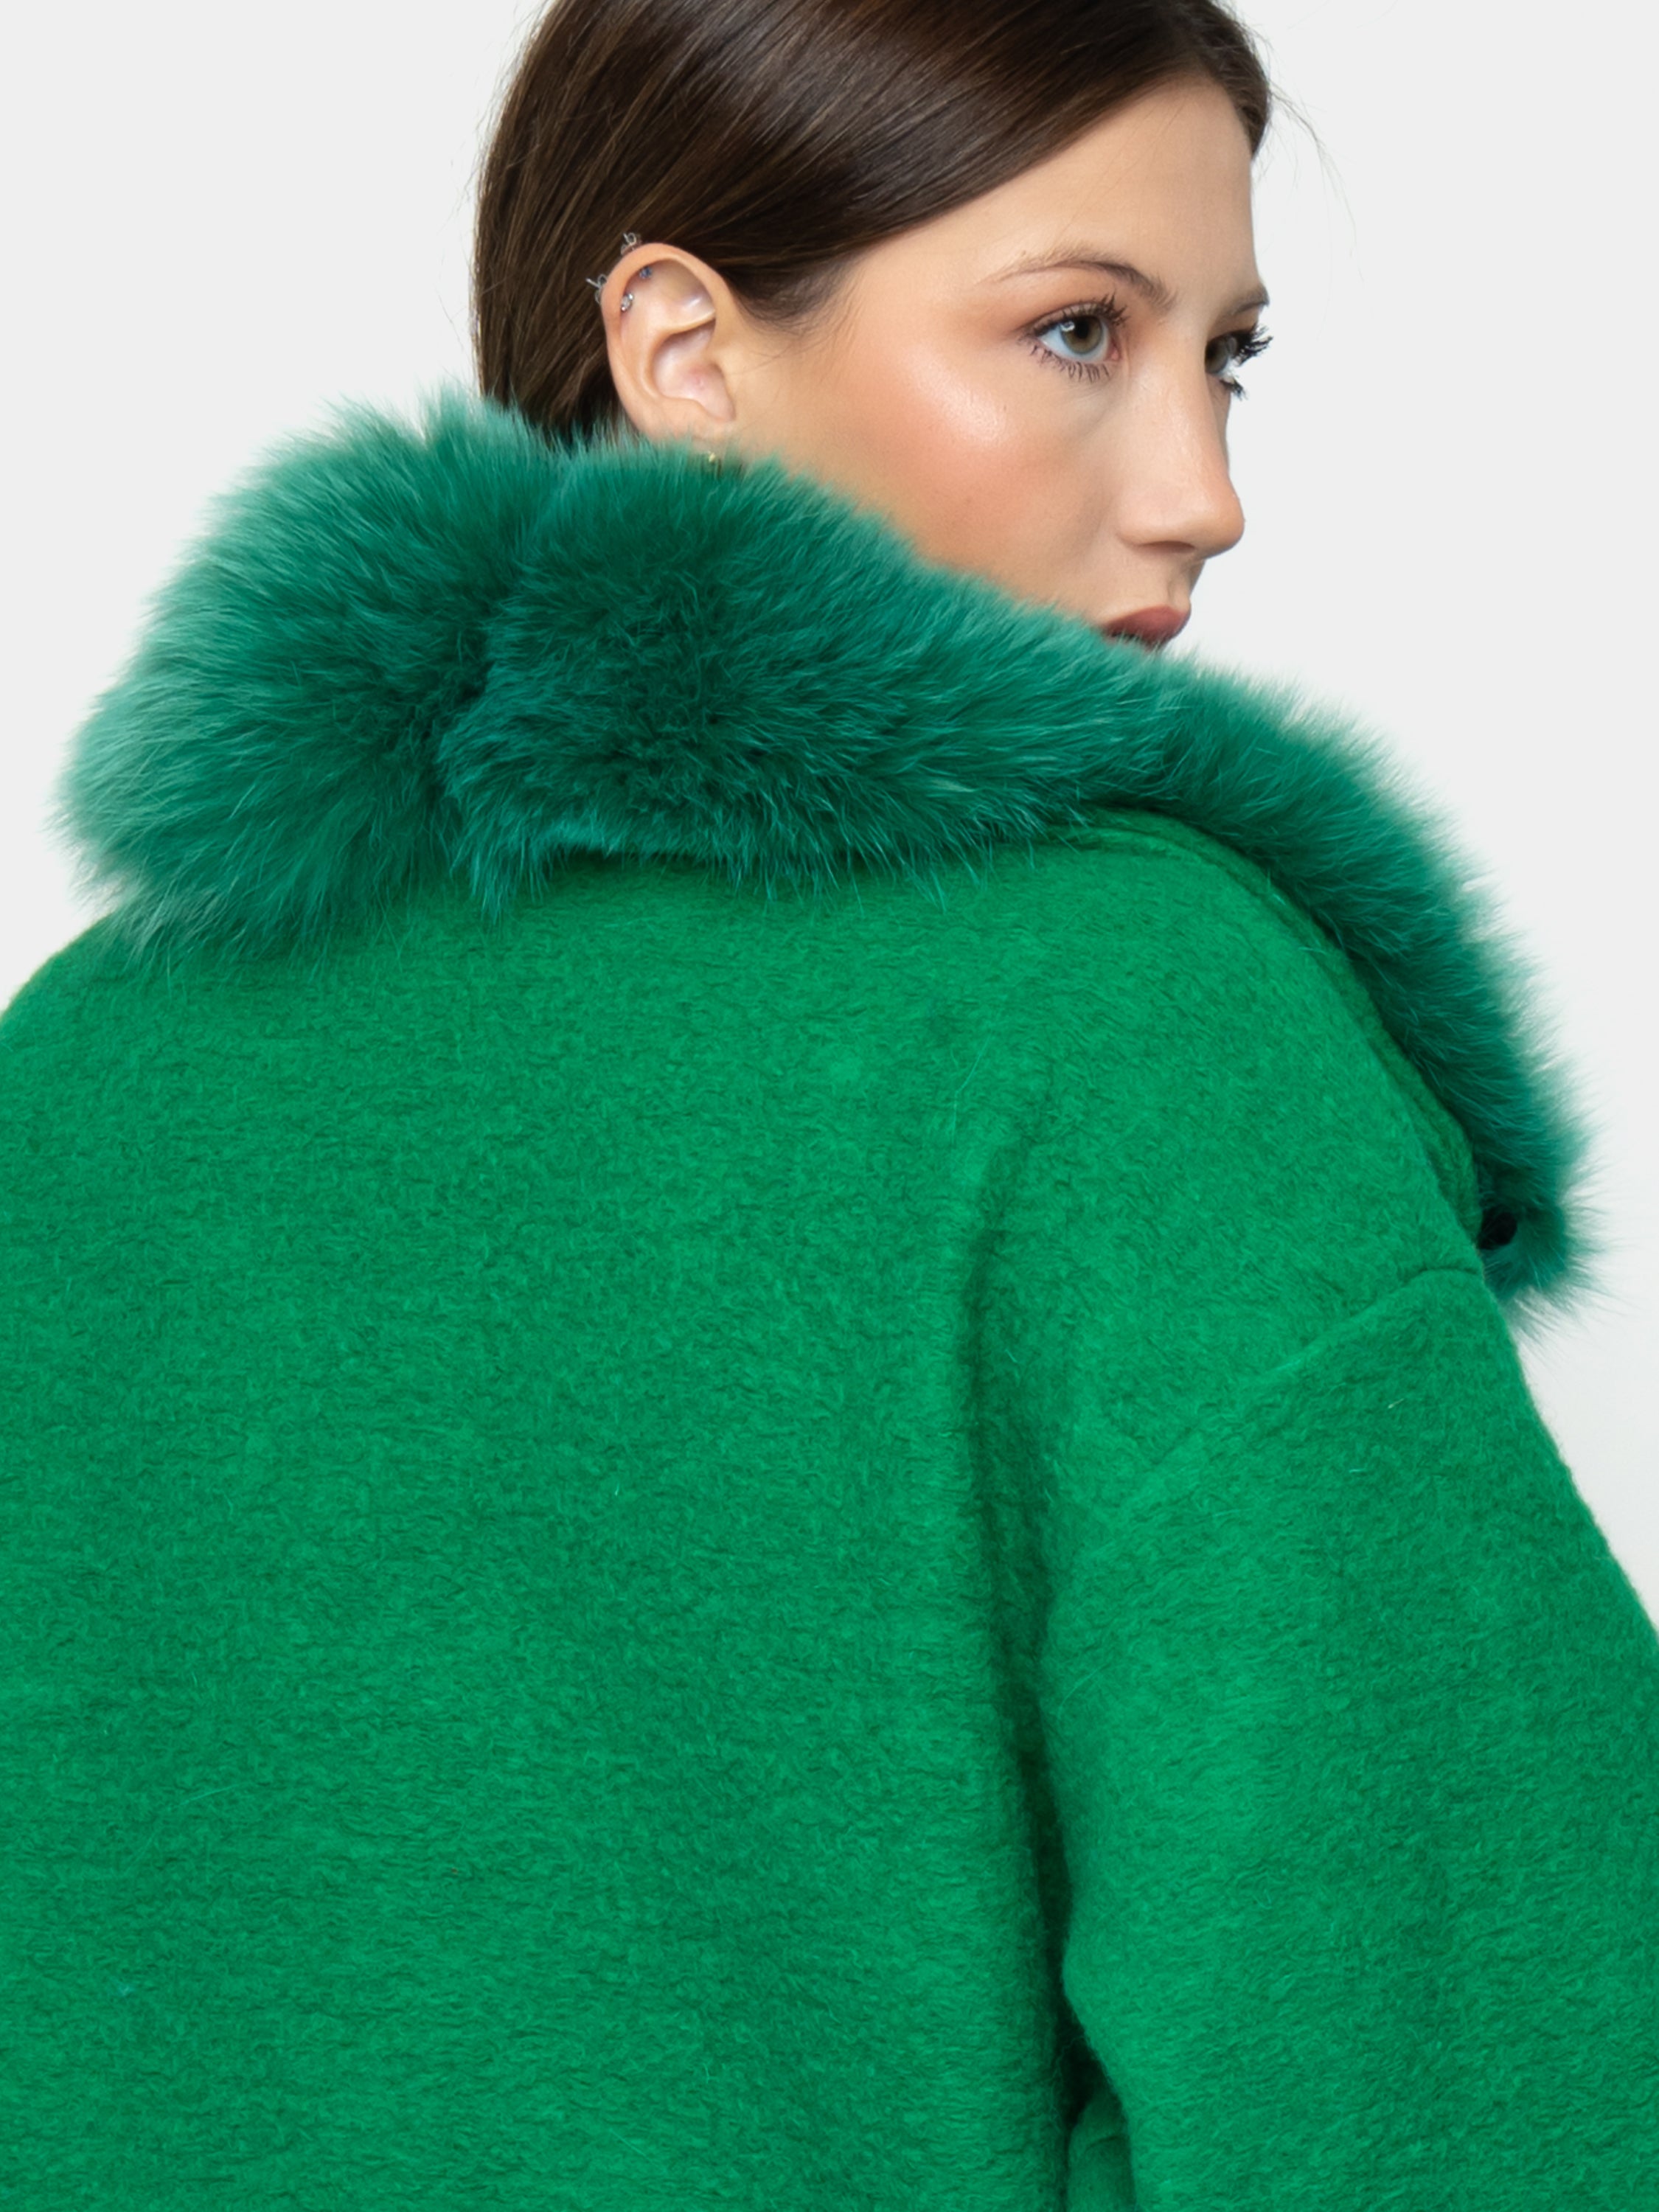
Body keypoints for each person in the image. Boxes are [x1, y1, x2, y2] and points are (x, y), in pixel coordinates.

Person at [1, 0, 1654, 2203]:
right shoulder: (1125, 1024)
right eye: (1076, 334)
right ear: (686, 353)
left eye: (1225, 358)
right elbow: (1465, 2075)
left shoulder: (84, 1063)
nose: (1206, 494)